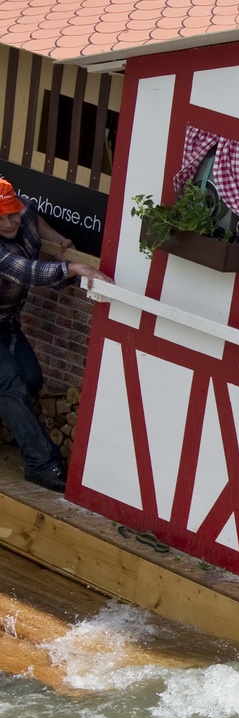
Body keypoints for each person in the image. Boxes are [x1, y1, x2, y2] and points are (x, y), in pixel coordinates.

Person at [0, 178, 107, 492]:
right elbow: (26, 270)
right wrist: (74, 268)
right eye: (1, 218)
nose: (9, 223)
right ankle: (42, 465)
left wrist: (59, 240)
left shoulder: (23, 213)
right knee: (10, 386)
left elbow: (33, 216)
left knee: (32, 379)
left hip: (7, 322)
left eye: (11, 214)